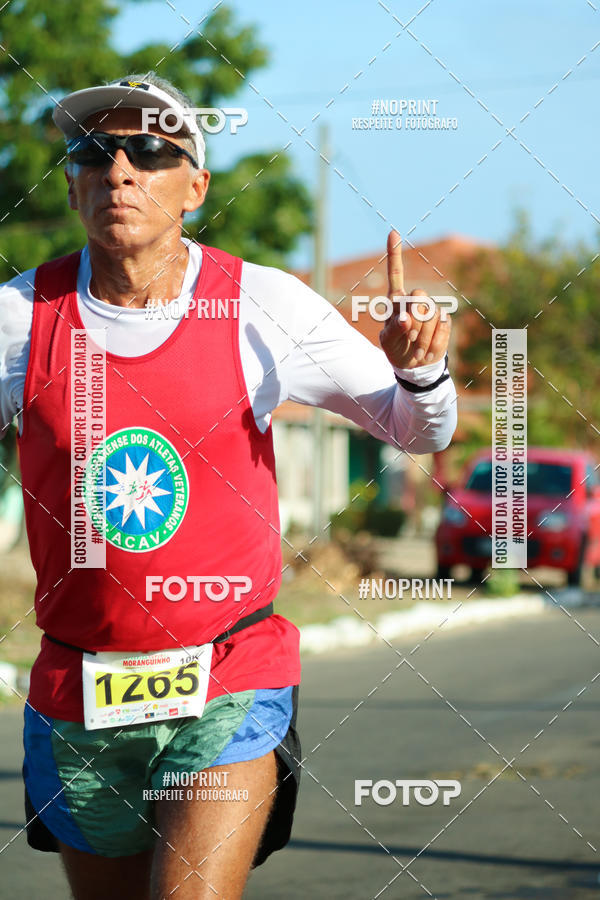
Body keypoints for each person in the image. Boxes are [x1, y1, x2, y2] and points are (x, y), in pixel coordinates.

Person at [0, 72, 457, 899]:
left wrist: (419, 371)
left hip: (227, 674)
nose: (120, 171)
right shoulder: (21, 317)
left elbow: (416, 430)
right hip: (78, 688)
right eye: (94, 151)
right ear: (70, 185)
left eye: (150, 150)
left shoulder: (261, 305)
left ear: (196, 187)